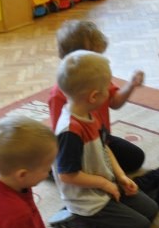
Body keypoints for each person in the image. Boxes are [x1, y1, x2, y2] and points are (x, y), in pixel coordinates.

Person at [50, 50, 159, 228]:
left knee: (151, 210)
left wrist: (121, 176)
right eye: (108, 88)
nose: (110, 92)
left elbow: (104, 147)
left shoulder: (91, 113)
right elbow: (67, 175)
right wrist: (105, 184)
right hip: (86, 201)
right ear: (94, 96)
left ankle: (106, 203)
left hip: (104, 185)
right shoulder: (69, 131)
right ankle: (75, 220)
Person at [49, 20, 145, 174]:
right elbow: (61, 137)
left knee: (135, 158)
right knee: (75, 169)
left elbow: (114, 102)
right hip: (76, 147)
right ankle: (48, 168)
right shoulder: (58, 95)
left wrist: (131, 85)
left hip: (100, 140)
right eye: (96, 57)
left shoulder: (97, 78)